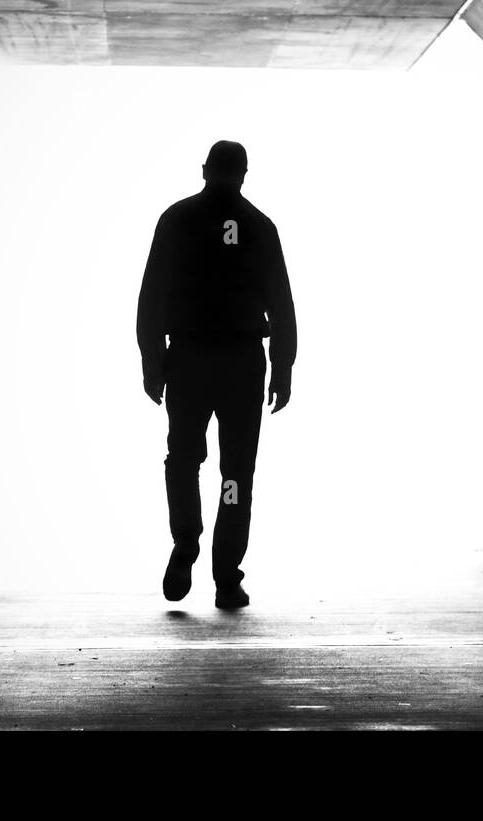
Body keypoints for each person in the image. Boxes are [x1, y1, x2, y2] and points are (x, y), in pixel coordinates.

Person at [136, 140, 297, 609]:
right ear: (245, 174)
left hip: (188, 359)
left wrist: (152, 359)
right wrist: (282, 366)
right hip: (243, 364)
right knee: (235, 474)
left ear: (205, 169)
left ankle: (186, 540)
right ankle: (226, 576)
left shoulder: (177, 219)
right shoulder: (260, 227)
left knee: (184, 460)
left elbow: (152, 294)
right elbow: (281, 302)